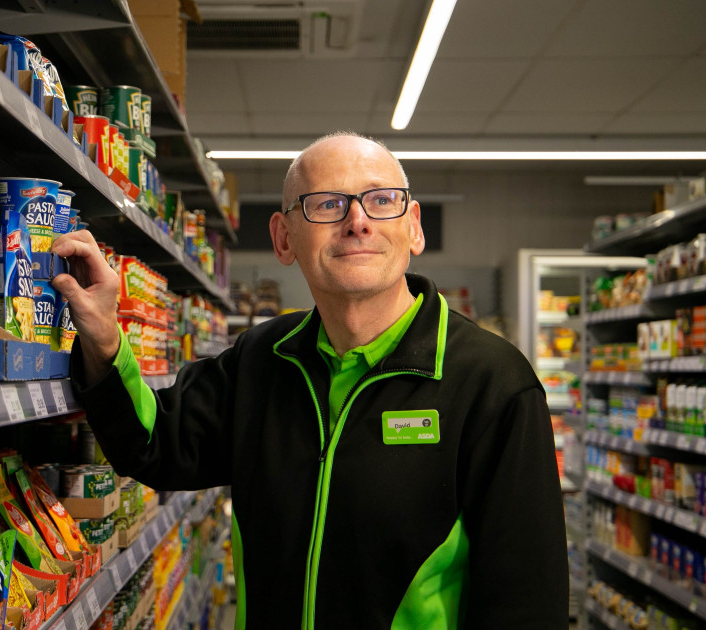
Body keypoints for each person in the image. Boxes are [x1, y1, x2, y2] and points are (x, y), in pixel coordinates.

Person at [51, 132, 569, 629]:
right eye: (327, 204)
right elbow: (154, 443)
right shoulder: (262, 359)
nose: (358, 221)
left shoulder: (492, 382)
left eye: (382, 200)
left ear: (414, 226)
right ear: (283, 237)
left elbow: (526, 602)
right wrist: (101, 338)